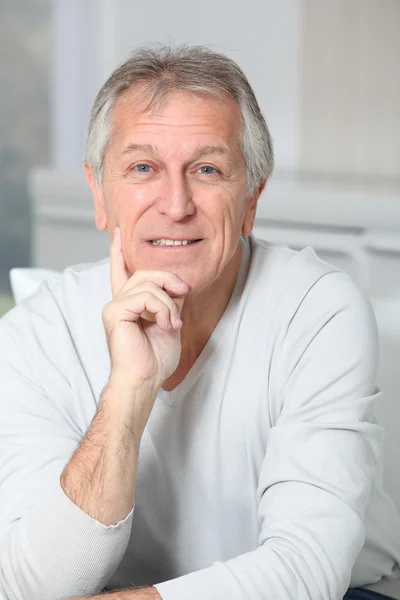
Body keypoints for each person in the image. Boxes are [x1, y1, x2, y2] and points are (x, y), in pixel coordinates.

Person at [0, 44, 400, 600]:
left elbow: (308, 570)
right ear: (99, 194)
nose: (177, 203)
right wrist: (129, 391)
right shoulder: (36, 333)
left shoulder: (318, 311)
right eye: (143, 168)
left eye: (207, 169)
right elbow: (37, 584)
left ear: (252, 197)